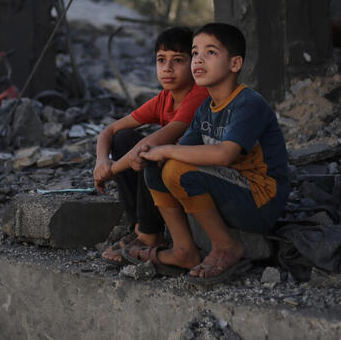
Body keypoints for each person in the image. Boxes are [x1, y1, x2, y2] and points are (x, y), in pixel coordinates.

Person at [138, 22, 290, 284]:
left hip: (259, 199)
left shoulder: (248, 103)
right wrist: (154, 153)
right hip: (229, 190)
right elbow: (182, 151)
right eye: (195, 52)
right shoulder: (206, 109)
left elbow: (225, 155)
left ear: (234, 64)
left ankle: (225, 246)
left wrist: (165, 148)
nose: (198, 60)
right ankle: (184, 250)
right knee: (158, 165)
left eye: (210, 52)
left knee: (174, 166)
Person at [93, 27, 209, 265]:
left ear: (194, 64)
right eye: (161, 60)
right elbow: (110, 130)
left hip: (200, 175)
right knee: (123, 138)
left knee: (151, 155)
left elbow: (151, 144)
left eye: (178, 60)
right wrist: (101, 162)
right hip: (167, 179)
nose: (167, 68)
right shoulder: (165, 98)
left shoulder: (198, 96)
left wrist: (110, 171)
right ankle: (139, 226)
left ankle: (150, 235)